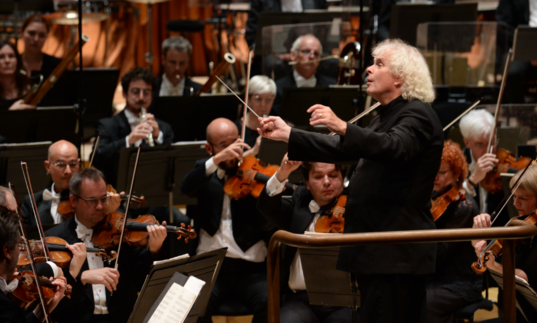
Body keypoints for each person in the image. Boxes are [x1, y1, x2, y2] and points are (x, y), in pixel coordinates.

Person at [258, 38, 443, 322]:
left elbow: (394, 148)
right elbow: (341, 148)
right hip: (376, 250)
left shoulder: (417, 114)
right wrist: (289, 134)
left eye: (379, 64)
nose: (368, 69)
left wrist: (342, 125)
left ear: (400, 76)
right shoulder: (385, 116)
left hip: (394, 253)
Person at [44, 168, 167, 323]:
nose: (101, 207)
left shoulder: (120, 231)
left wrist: (155, 250)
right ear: (73, 201)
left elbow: (140, 279)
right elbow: (48, 295)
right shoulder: (54, 239)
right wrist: (81, 277)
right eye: (92, 201)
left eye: (103, 199)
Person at [180, 117, 272, 323]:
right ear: (208, 148)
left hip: (251, 270)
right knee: (191, 304)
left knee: (272, 302)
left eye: (235, 143)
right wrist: (217, 159)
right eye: (223, 146)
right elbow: (186, 188)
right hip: (210, 267)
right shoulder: (204, 173)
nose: (232, 151)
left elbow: (269, 220)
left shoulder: (254, 171)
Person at [257, 155, 352, 323]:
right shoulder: (300, 203)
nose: (327, 182)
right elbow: (267, 208)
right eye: (318, 177)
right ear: (307, 183)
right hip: (301, 300)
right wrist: (282, 173)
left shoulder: (353, 206)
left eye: (333, 175)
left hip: (344, 302)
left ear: (342, 178)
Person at [426, 140, 483, 323]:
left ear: (457, 173)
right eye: (432, 171)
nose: (435, 177)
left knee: (424, 302)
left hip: (458, 282)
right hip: (434, 275)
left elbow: (440, 252)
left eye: (441, 172)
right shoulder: (433, 198)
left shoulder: (464, 207)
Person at [472, 165, 537, 323]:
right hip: (515, 312)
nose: (515, 204)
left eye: (523, 198)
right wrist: (477, 236)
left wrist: (493, 266)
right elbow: (485, 252)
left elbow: (525, 277)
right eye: (514, 196)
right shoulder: (520, 224)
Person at [92, 67, 174, 187]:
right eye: (135, 92)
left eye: (146, 93)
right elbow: (96, 158)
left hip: (154, 196)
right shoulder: (107, 125)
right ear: (124, 93)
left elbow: (173, 163)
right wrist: (127, 141)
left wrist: (158, 138)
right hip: (118, 196)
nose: (141, 98)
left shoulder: (163, 128)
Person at [0, 207, 68, 323]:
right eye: (19, 243)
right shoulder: (5, 308)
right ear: (7, 251)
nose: (21, 249)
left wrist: (41, 312)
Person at [459, 109, 510, 224]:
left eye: (492, 142)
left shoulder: (505, 161)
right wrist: (473, 180)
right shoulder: (457, 164)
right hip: (466, 233)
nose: (488, 150)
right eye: (480, 144)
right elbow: (450, 203)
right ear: (467, 143)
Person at [271, 34, 336, 116]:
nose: (312, 56)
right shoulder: (277, 88)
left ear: (320, 60)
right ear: (293, 55)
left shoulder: (332, 86)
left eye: (316, 54)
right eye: (306, 51)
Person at [21, 140, 81, 226]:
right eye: (61, 165)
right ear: (48, 166)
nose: (68, 171)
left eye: (72, 164)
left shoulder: (86, 199)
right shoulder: (31, 202)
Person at [245, 0, 328, 48]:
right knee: (271, 63)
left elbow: (325, 28)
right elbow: (251, 35)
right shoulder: (261, 1)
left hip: (311, 49)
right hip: (275, 52)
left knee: (332, 62)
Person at [234, 75, 276, 151]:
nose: (263, 105)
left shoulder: (280, 126)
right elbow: (231, 161)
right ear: (248, 99)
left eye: (268, 99)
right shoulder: (235, 129)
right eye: (258, 99)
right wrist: (254, 150)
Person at [20, 15, 61, 82]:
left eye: (41, 35)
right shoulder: (13, 64)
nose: (36, 39)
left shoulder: (57, 65)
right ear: (22, 33)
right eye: (31, 33)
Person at [0, 40, 35, 111]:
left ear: (17, 61)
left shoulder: (28, 89)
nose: (7, 61)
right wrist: (11, 113)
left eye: (11, 56)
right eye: (1, 57)